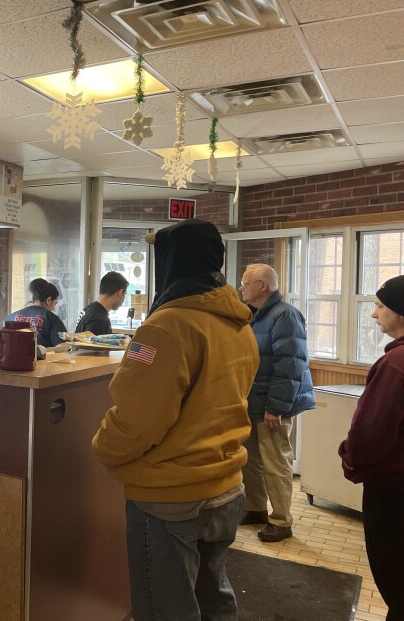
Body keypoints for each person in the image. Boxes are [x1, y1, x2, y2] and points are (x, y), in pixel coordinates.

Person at [92, 218, 259, 621]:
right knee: (214, 601)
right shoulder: (238, 324)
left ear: (172, 261)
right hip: (226, 488)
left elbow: (138, 418)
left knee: (165, 610)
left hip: (171, 499)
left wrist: (103, 449)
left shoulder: (167, 326)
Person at [339, 275, 404, 619]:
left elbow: (371, 432)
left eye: (380, 306)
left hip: (392, 488)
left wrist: (350, 459)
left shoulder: (395, 364)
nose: (374, 314)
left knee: (396, 579)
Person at [238, 263, 315, 542]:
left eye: (245, 283)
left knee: (275, 461)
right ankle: (255, 508)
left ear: (263, 286)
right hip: (253, 401)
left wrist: (276, 407)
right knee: (251, 461)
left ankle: (281, 521)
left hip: (273, 405)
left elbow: (290, 365)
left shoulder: (285, 315)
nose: (241, 288)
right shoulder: (255, 315)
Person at [0, 278, 67, 347]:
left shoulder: (14, 315)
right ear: (49, 300)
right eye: (55, 303)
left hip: (15, 354)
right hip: (40, 354)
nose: (54, 308)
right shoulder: (51, 318)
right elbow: (62, 346)